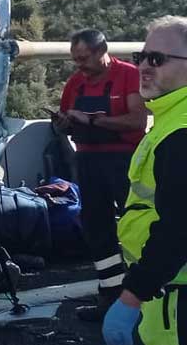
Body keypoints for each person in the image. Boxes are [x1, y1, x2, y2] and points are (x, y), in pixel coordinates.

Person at [103, 16, 187, 345]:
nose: (144, 67)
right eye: (142, 56)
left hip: (177, 297)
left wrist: (131, 296)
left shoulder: (181, 133)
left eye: (158, 58)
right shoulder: (171, 121)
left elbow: (179, 229)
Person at [53, 28, 147, 320]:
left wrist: (93, 120)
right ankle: (110, 297)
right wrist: (64, 123)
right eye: (75, 59)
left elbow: (137, 121)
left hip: (124, 161)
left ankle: (145, 296)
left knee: (136, 226)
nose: (79, 65)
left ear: (101, 51)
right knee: (96, 227)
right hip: (88, 161)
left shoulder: (129, 75)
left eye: (84, 58)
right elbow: (67, 120)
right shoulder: (75, 83)